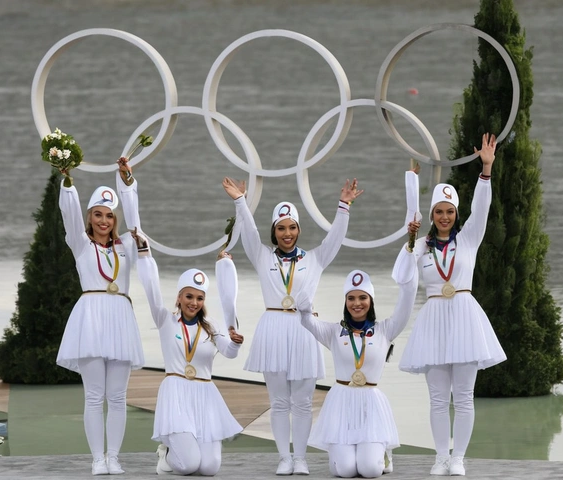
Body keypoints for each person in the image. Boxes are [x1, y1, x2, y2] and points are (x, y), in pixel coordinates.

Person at [222, 176, 363, 475]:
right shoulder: (262, 257)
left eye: (292, 227)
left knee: (302, 401)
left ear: (299, 229)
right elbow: (248, 232)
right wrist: (240, 202)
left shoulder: (315, 259)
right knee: (278, 401)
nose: (287, 233)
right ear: (274, 231)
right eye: (281, 228)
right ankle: (284, 457)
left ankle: (300, 458)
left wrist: (344, 206)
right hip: (273, 328)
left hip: (304, 329)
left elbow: (335, 238)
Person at [398, 133, 507, 476]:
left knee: (463, 396)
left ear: (456, 214)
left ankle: (458, 457)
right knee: (436, 399)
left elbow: (482, 208)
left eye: (449, 212)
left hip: (463, 316)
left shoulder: (469, 238)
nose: (444, 217)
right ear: (431, 214)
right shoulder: (421, 246)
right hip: (432, 319)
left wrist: (485, 170)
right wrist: (409, 239)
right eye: (439, 212)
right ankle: (440, 457)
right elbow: (400, 276)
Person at [298, 210, 420, 478]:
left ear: (371, 301)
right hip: (341, 405)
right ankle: (343, 452)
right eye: (351, 298)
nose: (356, 303)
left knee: (369, 470)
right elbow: (306, 321)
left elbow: (407, 299)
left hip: (371, 406)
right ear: (345, 302)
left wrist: (410, 251)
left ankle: (382, 455)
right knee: (344, 471)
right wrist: (303, 307)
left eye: (362, 298)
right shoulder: (334, 332)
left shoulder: (386, 329)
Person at [56, 160, 144, 475]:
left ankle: (114, 457)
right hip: (91, 319)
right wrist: (67, 181)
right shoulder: (80, 244)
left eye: (109, 215)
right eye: (97, 214)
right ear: (89, 218)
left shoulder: (126, 247)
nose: (104, 221)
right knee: (94, 395)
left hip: (120, 317)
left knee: (118, 396)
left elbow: (136, 221)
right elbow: (68, 215)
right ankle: (97, 458)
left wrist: (128, 181)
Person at [134, 233, 244, 476]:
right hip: (176, 394)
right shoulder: (165, 320)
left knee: (210, 468)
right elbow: (151, 288)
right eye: (189, 296)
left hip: (205, 396)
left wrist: (236, 343)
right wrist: (144, 254)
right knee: (189, 465)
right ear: (179, 297)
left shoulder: (212, 326)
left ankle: (183, 450)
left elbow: (229, 352)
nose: (194, 302)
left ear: (204, 300)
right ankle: (167, 454)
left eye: (199, 298)